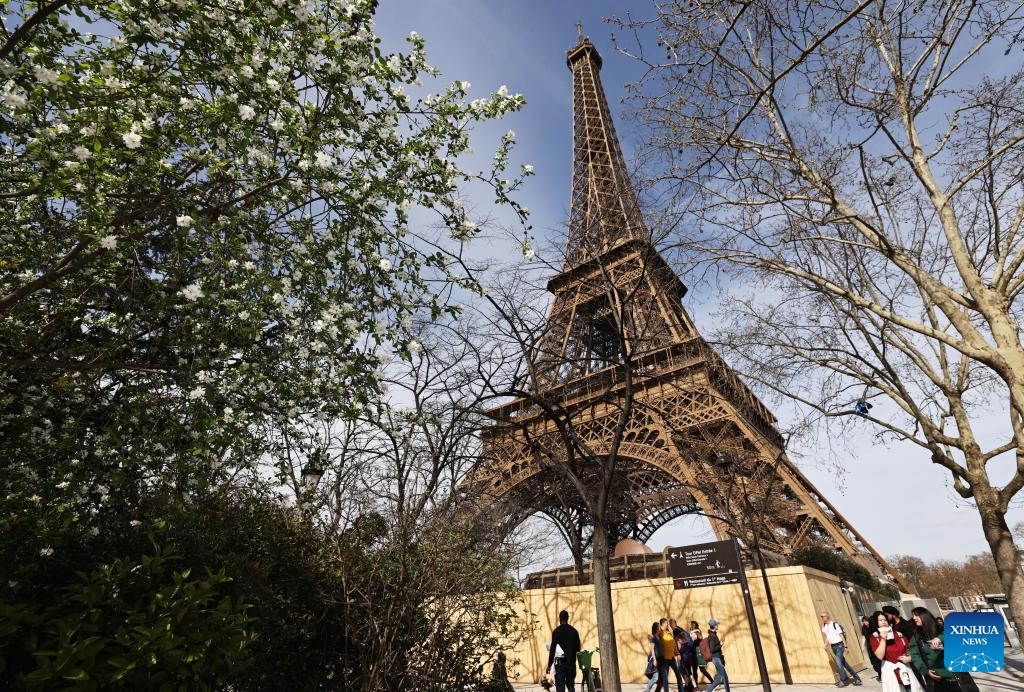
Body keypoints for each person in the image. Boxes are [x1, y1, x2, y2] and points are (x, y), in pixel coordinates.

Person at [909, 607, 977, 692]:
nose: (914, 618)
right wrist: (926, 671)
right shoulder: (916, 637)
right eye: (913, 616)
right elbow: (915, 656)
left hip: (957, 676)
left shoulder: (942, 629)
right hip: (937, 680)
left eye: (917, 615)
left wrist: (940, 638)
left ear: (925, 616)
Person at [868, 610, 924, 692]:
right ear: (876, 622)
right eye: (880, 620)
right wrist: (883, 639)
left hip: (905, 669)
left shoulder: (898, 634)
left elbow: (909, 649)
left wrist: (909, 657)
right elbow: (880, 656)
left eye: (885, 620)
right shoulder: (875, 637)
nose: (883, 622)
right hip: (891, 672)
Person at [884, 606, 925, 687]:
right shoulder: (893, 627)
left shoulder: (905, 625)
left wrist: (909, 657)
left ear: (893, 615)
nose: (886, 618)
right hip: (902, 661)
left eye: (887, 615)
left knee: (918, 683)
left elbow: (912, 643)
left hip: (911, 659)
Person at [820, 610, 863, 687]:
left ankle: (843, 680)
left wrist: (846, 647)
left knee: (839, 663)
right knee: (844, 664)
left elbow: (842, 636)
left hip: (839, 646)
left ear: (827, 616)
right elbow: (827, 637)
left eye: (823, 616)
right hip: (833, 647)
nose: (822, 618)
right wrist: (825, 645)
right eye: (821, 617)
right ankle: (857, 678)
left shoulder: (834, 624)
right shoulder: (824, 626)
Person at [544, 610, 581, 692]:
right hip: (571, 664)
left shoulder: (556, 632)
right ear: (568, 618)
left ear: (559, 618)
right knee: (571, 686)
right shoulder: (574, 631)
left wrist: (549, 665)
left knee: (560, 687)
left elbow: (552, 650)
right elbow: (578, 649)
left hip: (559, 664)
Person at [657, 618, 687, 692]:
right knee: (664, 679)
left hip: (672, 658)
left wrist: (677, 653)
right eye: (666, 623)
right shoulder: (660, 633)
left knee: (678, 676)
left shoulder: (669, 633)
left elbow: (673, 644)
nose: (668, 624)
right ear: (662, 624)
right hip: (664, 659)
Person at [670, 618, 696, 692]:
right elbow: (688, 641)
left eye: (670, 624)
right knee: (687, 671)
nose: (670, 626)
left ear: (673, 624)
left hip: (683, 654)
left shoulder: (675, 630)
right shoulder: (681, 629)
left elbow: (677, 643)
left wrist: (678, 653)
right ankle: (691, 686)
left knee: (682, 670)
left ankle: (689, 686)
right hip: (688, 653)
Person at [705, 619, 730, 692]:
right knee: (725, 677)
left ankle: (708, 690)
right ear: (714, 626)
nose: (717, 625)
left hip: (717, 658)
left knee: (719, 678)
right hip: (716, 659)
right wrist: (720, 645)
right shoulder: (712, 636)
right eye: (716, 625)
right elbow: (712, 649)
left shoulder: (714, 634)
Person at [689, 621, 715, 689]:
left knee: (701, 669)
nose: (691, 626)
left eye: (692, 625)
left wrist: (695, 632)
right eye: (691, 625)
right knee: (695, 670)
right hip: (693, 653)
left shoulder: (696, 632)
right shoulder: (692, 632)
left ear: (695, 626)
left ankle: (713, 682)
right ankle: (696, 686)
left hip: (697, 653)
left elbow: (700, 637)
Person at [861, 615, 883, 682]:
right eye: (864, 621)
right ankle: (880, 674)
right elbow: (863, 636)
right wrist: (862, 646)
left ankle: (882, 675)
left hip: (876, 644)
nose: (865, 622)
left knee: (879, 659)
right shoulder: (863, 628)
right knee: (873, 660)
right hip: (869, 645)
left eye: (866, 621)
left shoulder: (873, 626)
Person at [646, 621, 663, 692]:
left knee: (659, 677)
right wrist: (654, 660)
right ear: (656, 628)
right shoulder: (653, 637)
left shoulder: (659, 636)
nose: (660, 628)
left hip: (660, 659)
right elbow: (652, 649)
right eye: (659, 627)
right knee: (656, 677)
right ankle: (647, 690)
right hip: (654, 658)